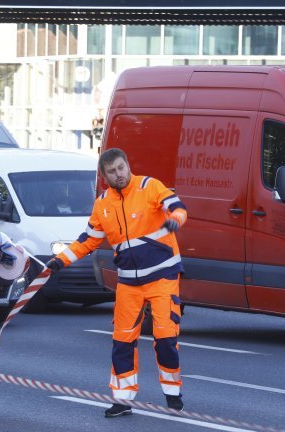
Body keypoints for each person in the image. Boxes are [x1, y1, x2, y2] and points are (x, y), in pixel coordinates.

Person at [45, 147, 187, 417]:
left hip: (162, 276)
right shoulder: (103, 203)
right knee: (122, 339)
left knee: (166, 336)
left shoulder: (149, 186)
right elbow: (88, 240)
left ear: (127, 165)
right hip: (129, 283)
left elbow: (177, 208)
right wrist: (60, 261)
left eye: (121, 168)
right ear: (104, 175)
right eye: (112, 171)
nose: (119, 174)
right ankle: (122, 399)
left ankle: (172, 394)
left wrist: (174, 221)